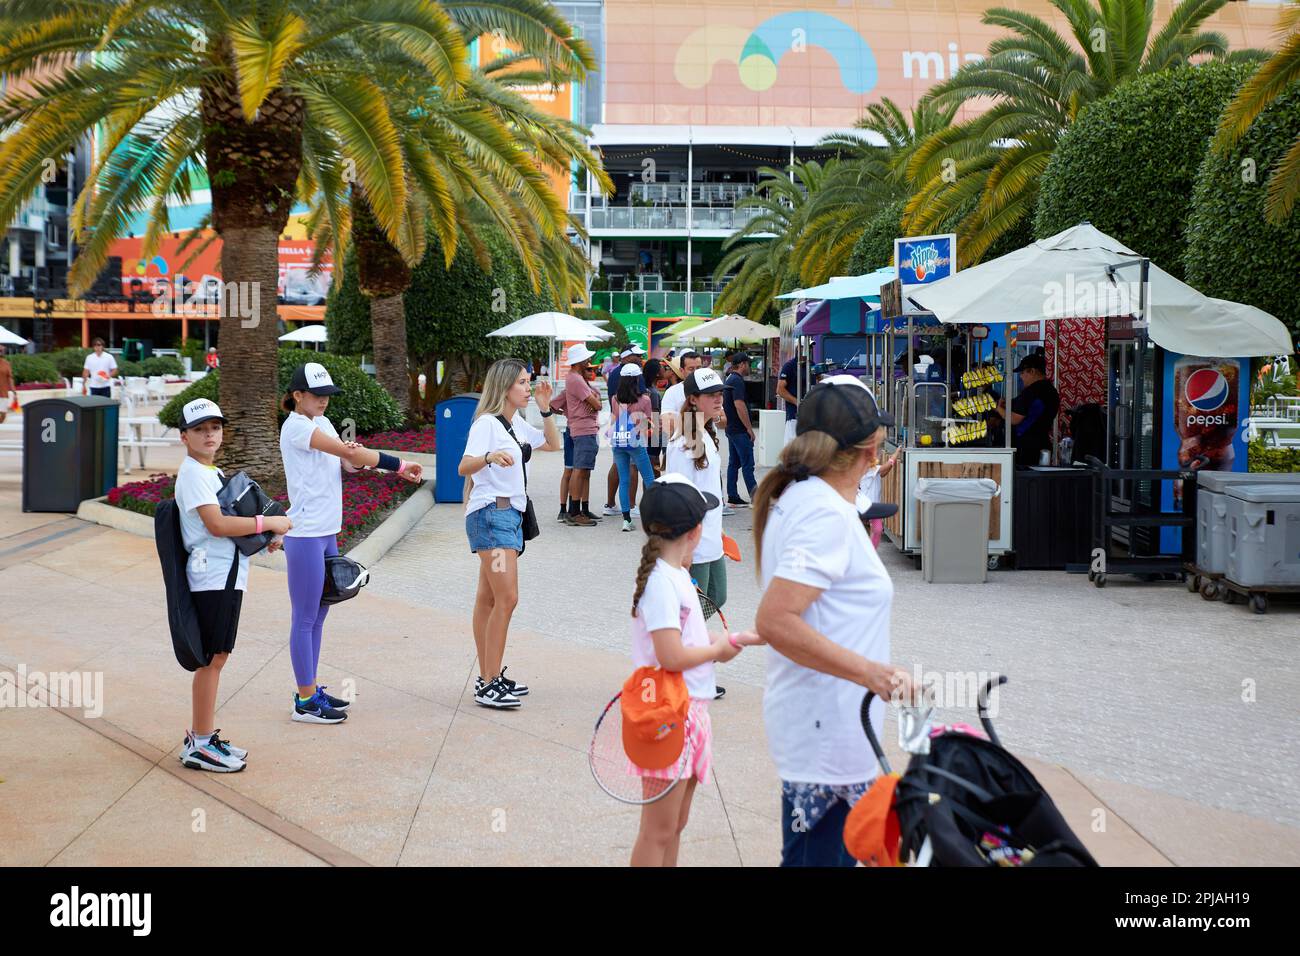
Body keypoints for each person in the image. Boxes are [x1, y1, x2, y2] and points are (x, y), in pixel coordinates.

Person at [752, 375, 916, 866]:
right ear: (871, 446)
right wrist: (875, 674)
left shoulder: (804, 499)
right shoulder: (823, 513)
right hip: (829, 736)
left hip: (827, 728)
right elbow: (776, 621)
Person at [279, 362, 424, 724]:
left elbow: (347, 464)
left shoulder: (323, 424)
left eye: (328, 395)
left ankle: (309, 688)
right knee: (305, 616)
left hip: (326, 530)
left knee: (320, 614)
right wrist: (399, 464)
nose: (324, 401)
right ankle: (305, 702)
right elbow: (348, 454)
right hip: (306, 533)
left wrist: (355, 461)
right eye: (317, 395)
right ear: (298, 396)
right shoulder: (296, 427)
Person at [627, 476, 756, 866]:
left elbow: (684, 648)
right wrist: (715, 650)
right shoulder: (662, 583)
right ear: (696, 531)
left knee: (675, 824)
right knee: (657, 830)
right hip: (667, 717)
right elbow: (670, 657)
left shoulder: (677, 576)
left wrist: (727, 645)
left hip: (689, 712)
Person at [173, 398, 292, 772]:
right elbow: (218, 526)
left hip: (224, 574)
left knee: (216, 656)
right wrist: (267, 524)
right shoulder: (193, 474)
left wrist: (263, 537)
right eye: (199, 430)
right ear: (184, 436)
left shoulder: (209, 471)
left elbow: (227, 523)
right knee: (212, 658)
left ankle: (202, 737)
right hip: (211, 577)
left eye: (215, 428)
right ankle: (200, 742)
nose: (209, 435)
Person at [458, 359, 561, 708]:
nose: (527, 387)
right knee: (507, 598)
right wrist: (489, 456)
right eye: (521, 382)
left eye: (528, 381)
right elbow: (463, 465)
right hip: (492, 516)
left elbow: (553, 444)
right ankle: (488, 683)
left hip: (508, 517)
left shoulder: (515, 424)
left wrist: (546, 409)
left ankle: (489, 677)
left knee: (489, 599)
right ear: (503, 387)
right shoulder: (487, 424)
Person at [665, 368, 731, 700]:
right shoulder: (686, 439)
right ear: (693, 399)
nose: (719, 399)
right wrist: (683, 549)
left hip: (711, 540)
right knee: (693, 609)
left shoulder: (704, 433)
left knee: (715, 597)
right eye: (711, 395)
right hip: (694, 542)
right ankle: (682, 669)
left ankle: (683, 661)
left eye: (720, 393)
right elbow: (679, 493)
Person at [556, 343, 601, 526]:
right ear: (579, 361)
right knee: (578, 470)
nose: (589, 362)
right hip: (583, 429)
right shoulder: (575, 379)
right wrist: (578, 412)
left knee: (581, 471)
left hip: (582, 428)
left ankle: (577, 510)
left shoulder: (575, 379)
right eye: (586, 359)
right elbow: (597, 404)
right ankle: (574, 512)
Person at [610, 364, 656, 532]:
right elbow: (647, 423)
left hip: (618, 442)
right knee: (649, 478)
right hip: (636, 442)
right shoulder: (645, 400)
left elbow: (615, 419)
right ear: (637, 378)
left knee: (624, 480)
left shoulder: (615, 398)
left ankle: (626, 520)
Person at [603, 345, 647, 516]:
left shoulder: (614, 373)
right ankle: (631, 506)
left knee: (618, 464)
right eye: (637, 355)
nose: (640, 358)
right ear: (627, 357)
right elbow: (641, 401)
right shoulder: (633, 373)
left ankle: (610, 504)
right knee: (633, 466)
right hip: (633, 426)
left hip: (618, 425)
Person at [997, 353, 1060, 468]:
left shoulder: (1031, 391)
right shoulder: (1051, 390)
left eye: (1022, 373)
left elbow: (1014, 419)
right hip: (1042, 445)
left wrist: (998, 409)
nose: (1021, 376)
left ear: (1032, 371)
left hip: (1025, 449)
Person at [723, 351, 757, 507]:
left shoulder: (729, 378)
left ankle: (733, 495)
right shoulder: (737, 380)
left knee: (734, 463)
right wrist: (749, 428)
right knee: (748, 463)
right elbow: (739, 404)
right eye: (748, 363)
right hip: (739, 429)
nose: (749, 366)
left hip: (731, 428)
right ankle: (755, 497)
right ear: (743, 364)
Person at [660, 350, 702, 441]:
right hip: (680, 445)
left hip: (706, 444)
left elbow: (723, 419)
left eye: (699, 368)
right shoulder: (672, 392)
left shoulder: (709, 389)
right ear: (682, 371)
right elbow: (667, 424)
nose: (696, 372)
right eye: (691, 369)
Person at [642, 357, 666, 475]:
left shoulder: (644, 389)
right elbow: (654, 416)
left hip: (646, 432)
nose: (665, 370)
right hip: (654, 434)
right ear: (657, 374)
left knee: (649, 468)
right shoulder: (654, 393)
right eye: (663, 368)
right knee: (654, 466)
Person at [776, 353, 807, 444]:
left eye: (810, 348)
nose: (809, 350)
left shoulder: (812, 365)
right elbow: (780, 389)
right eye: (807, 347)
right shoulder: (789, 366)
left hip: (810, 417)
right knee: (792, 449)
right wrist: (797, 402)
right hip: (793, 417)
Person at [0, 351, 13, 423]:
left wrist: (13, 390)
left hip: (3, 392)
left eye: (1, 351)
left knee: (3, 414)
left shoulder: (6, 364)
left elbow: (10, 378)